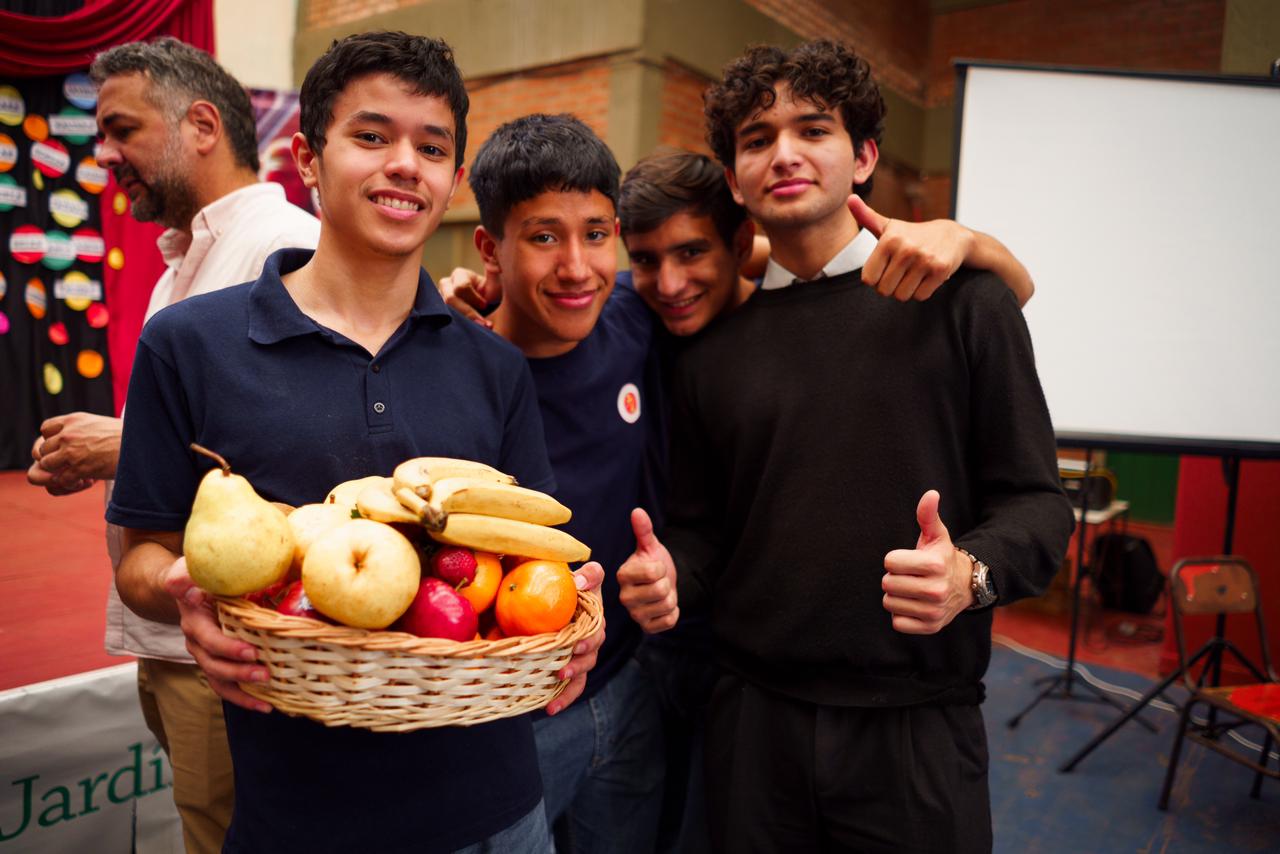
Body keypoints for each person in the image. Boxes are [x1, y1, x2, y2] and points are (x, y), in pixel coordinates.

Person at [105, 32, 604, 854]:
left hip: (500, 814)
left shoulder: (495, 367)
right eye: (372, 137)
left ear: (452, 179)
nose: (405, 164)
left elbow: (533, 564)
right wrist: (184, 592)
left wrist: (577, 621)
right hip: (298, 819)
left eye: (432, 146)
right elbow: (140, 558)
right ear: (306, 157)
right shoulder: (189, 345)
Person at [616, 40, 1074, 853]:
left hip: (916, 729)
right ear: (734, 180)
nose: (783, 153)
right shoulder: (713, 351)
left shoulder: (965, 304)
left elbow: (1039, 506)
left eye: (812, 130)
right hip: (751, 725)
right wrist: (669, 575)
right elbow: (702, 530)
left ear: (862, 156)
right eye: (756, 140)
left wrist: (970, 575)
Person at [26, 37, 319, 854]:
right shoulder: (180, 262)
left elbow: (305, 449)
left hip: (227, 646)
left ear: (201, 124)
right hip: (175, 633)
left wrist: (124, 446)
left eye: (122, 129)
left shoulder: (278, 245)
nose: (105, 154)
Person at [466, 113, 666, 853]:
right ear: (490, 248)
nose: (577, 266)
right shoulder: (461, 382)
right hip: (513, 721)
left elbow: (746, 254)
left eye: (596, 232)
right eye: (544, 236)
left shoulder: (630, 318)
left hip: (627, 687)